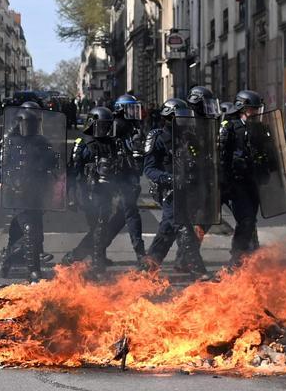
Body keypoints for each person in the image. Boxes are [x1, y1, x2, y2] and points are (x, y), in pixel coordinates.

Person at [142, 98, 208, 278]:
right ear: (169, 118)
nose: (185, 122)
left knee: (166, 230)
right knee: (182, 225)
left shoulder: (187, 137)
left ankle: (147, 268)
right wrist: (169, 178)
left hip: (187, 189)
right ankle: (198, 269)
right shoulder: (157, 137)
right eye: (181, 118)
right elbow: (149, 169)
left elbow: (198, 160)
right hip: (169, 190)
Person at [0, 103, 60, 281]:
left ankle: (7, 257)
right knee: (29, 230)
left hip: (36, 191)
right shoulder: (10, 141)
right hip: (18, 192)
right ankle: (34, 270)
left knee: (35, 233)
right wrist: (2, 181)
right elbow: (2, 165)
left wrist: (50, 164)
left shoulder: (41, 141)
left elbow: (53, 161)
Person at [67, 106, 133, 273]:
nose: (105, 129)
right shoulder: (83, 143)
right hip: (88, 192)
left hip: (106, 191)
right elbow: (73, 170)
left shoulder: (111, 143)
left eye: (107, 126)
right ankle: (94, 261)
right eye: (102, 125)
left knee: (100, 226)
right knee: (98, 226)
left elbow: (119, 166)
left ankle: (83, 256)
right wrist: (72, 195)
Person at [218, 90, 270, 266]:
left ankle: (248, 254)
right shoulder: (230, 127)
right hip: (236, 181)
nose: (255, 113)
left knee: (251, 220)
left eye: (256, 109)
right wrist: (224, 181)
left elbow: (265, 152)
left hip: (252, 181)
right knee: (245, 220)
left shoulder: (258, 128)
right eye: (252, 109)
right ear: (242, 108)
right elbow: (222, 156)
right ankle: (237, 259)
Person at [110, 94, 147, 265]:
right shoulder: (117, 126)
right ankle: (141, 254)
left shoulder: (132, 127)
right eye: (130, 109)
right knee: (131, 214)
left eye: (135, 109)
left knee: (120, 218)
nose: (133, 113)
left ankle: (84, 252)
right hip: (121, 177)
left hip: (130, 176)